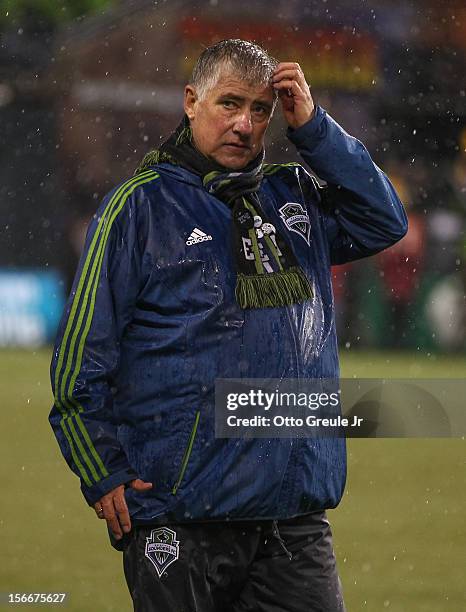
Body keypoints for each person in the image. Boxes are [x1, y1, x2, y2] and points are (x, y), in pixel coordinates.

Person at [49, 39, 407, 611]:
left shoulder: (294, 195)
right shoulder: (137, 208)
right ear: (191, 101)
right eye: (229, 104)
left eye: (260, 110)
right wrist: (103, 473)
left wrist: (315, 129)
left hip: (293, 519)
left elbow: (384, 220)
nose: (244, 123)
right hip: (182, 516)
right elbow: (78, 366)